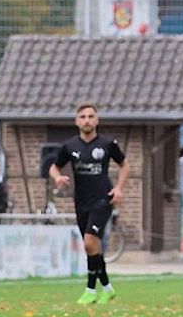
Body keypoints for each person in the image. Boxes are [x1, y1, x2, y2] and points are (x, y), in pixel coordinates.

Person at [49, 103, 128, 305]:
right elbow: (54, 167)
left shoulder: (108, 144)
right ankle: (108, 288)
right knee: (92, 247)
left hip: (103, 199)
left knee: (89, 241)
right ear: (77, 121)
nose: (87, 120)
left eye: (91, 116)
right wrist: (58, 178)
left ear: (97, 120)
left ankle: (90, 289)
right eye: (83, 116)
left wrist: (118, 188)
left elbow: (124, 164)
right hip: (81, 201)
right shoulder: (70, 146)